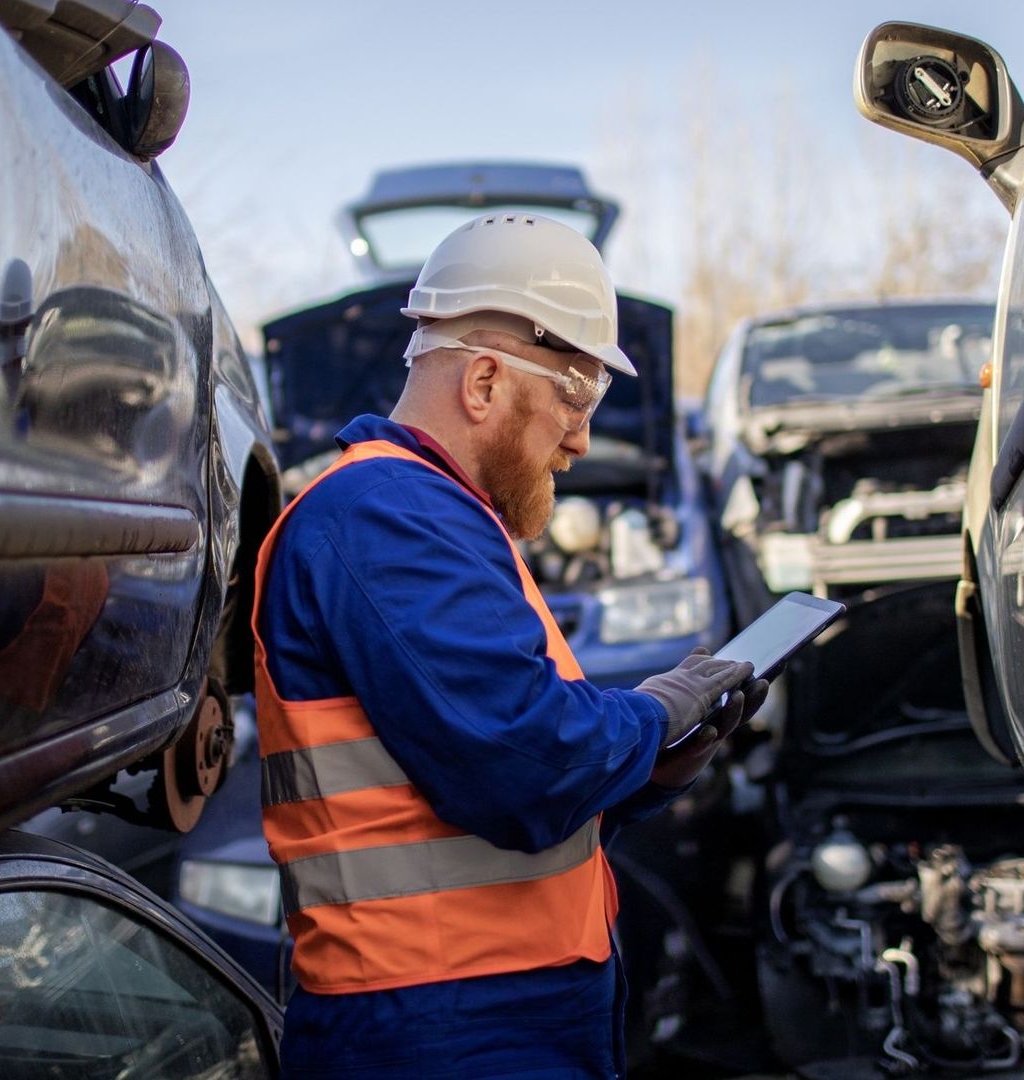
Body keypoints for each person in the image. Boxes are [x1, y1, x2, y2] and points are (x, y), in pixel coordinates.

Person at [252, 212, 767, 1078]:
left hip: (486, 1010)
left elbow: (473, 785)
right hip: (440, 1025)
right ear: (485, 380)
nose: (584, 436)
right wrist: (648, 717)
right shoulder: (387, 515)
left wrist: (651, 769)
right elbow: (522, 765)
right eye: (576, 392)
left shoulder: (440, 520)